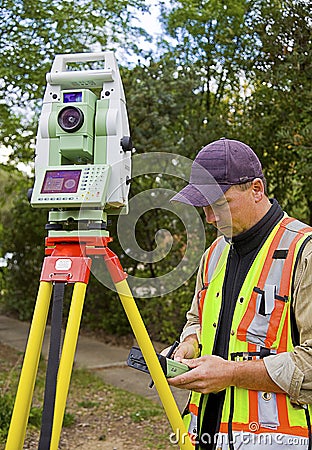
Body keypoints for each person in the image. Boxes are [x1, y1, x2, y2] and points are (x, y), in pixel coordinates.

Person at [168, 138, 312, 450]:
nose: (209, 217)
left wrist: (232, 374)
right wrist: (189, 345)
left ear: (256, 189)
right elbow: (196, 319)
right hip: (204, 434)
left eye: (218, 204)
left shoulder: (305, 252)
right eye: (202, 206)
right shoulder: (214, 254)